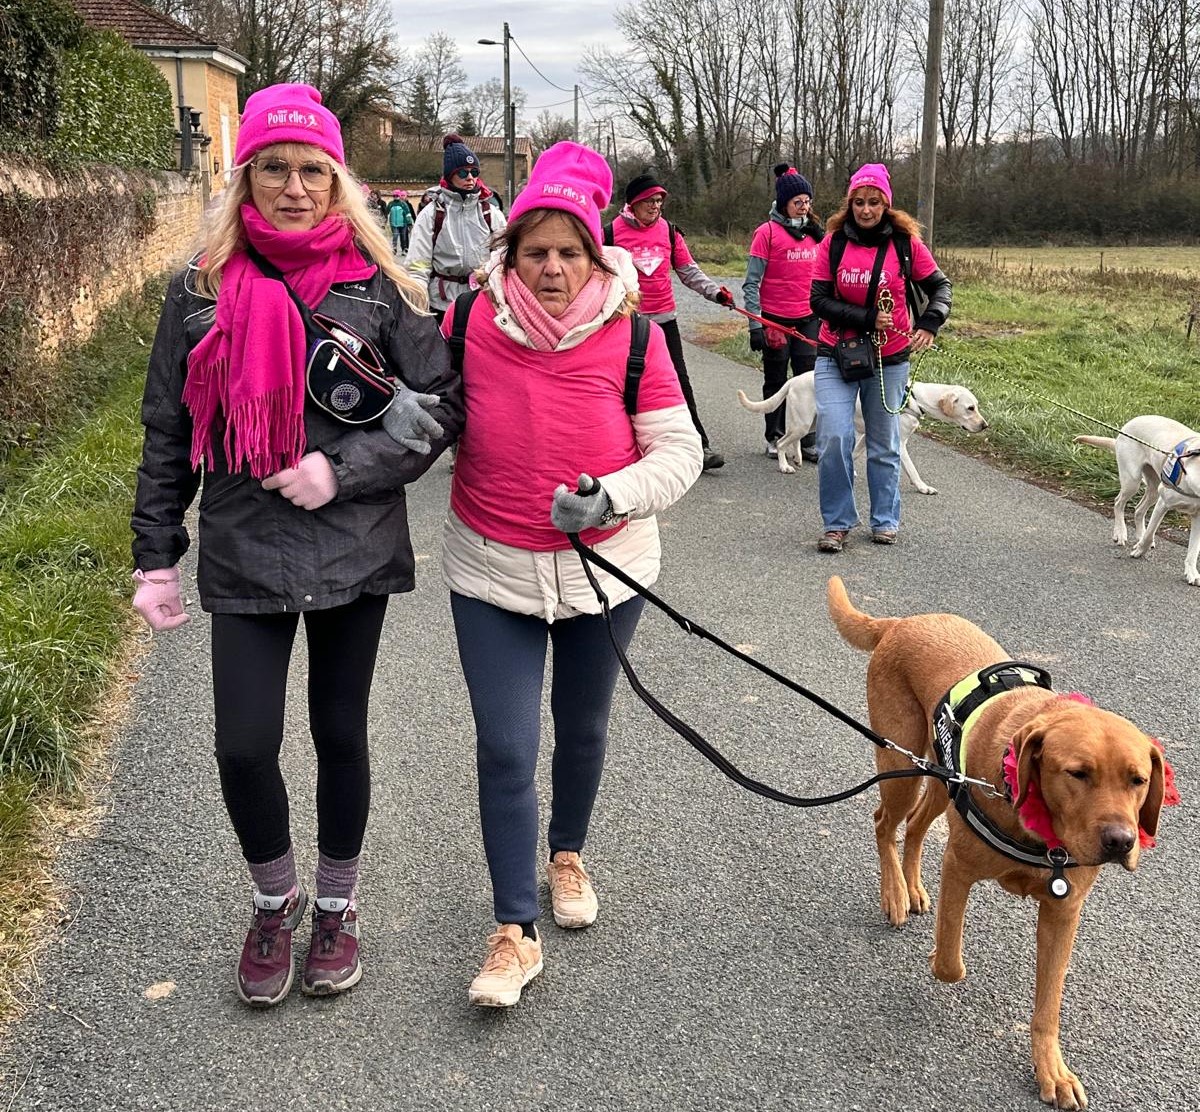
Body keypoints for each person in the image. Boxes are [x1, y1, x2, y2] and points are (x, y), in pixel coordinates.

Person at [129, 83, 464, 1008]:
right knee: (243, 745)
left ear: (336, 180)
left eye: (312, 169)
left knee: (338, 734)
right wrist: (156, 556)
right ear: (245, 181)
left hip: (354, 546)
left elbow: (443, 406)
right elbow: (166, 428)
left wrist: (341, 471)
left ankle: (338, 909)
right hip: (242, 547)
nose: (294, 187)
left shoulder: (376, 285)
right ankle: (273, 901)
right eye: (273, 169)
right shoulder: (195, 289)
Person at [442, 141, 702, 1008]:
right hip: (492, 567)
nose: (552, 269)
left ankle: (567, 854)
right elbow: (421, 416)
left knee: (581, 728)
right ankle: (513, 932)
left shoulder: (632, 335)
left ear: (597, 256)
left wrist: (611, 496)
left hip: (606, 569)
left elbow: (679, 451)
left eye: (569, 252)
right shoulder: (466, 322)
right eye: (535, 251)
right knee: (507, 746)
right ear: (508, 254)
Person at [808, 162, 952, 552]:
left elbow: (940, 287)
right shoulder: (833, 243)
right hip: (835, 352)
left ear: (886, 204)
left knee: (884, 441)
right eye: (859, 202)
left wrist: (930, 322)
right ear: (849, 203)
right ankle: (837, 523)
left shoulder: (905, 245)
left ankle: (885, 520)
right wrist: (868, 317)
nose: (866, 210)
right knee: (835, 436)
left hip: (889, 358)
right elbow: (817, 301)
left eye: (874, 202)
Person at [604, 173, 736, 471]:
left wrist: (715, 292)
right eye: (648, 201)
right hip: (627, 323)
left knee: (678, 382)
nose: (655, 206)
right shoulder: (610, 233)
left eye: (659, 200)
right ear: (633, 203)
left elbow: (688, 271)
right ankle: (628, 449)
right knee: (624, 386)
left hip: (665, 321)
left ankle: (698, 446)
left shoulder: (669, 232)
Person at [743, 164, 824, 461]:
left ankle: (807, 439)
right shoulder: (766, 233)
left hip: (808, 317)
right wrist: (755, 325)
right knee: (776, 380)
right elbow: (751, 283)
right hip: (774, 319)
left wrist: (822, 236)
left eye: (807, 202)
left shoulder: (814, 233)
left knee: (810, 379)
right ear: (783, 203)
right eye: (798, 202)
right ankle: (775, 436)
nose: (804, 207)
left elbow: (828, 272)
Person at [404, 133, 506, 320]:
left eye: (474, 172)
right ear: (450, 175)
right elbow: (418, 265)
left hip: (481, 300)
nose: (470, 178)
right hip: (441, 303)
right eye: (462, 172)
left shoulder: (490, 213)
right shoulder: (432, 214)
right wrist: (417, 308)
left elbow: (506, 257)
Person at [387, 189, 415, 254]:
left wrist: (409, 223)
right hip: (394, 223)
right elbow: (387, 212)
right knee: (395, 236)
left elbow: (408, 213)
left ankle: (404, 249)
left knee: (403, 237)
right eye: (394, 195)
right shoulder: (391, 204)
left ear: (399, 196)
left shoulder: (403, 204)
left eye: (396, 195)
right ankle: (394, 248)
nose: (395, 197)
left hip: (403, 223)